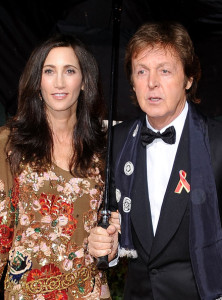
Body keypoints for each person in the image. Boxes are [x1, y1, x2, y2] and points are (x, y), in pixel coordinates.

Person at [88, 21, 222, 299]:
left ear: (188, 78)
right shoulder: (117, 140)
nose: (152, 83)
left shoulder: (217, 143)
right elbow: (111, 217)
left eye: (165, 70)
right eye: (141, 71)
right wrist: (108, 244)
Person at [0, 33, 119, 299]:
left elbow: (113, 223)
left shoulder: (104, 149)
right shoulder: (9, 143)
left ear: (85, 80)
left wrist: (112, 243)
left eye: (70, 71)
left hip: (90, 291)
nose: (59, 82)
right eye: (49, 71)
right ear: (37, 80)